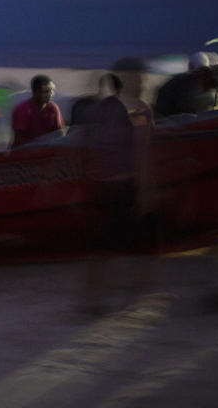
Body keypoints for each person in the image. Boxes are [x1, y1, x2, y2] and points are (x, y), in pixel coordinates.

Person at [82, 56, 156, 313]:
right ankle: (131, 300)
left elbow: (86, 142)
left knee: (102, 248)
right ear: (128, 80)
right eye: (139, 78)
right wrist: (145, 193)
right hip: (124, 188)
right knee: (142, 247)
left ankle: (95, 300)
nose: (144, 82)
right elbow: (141, 153)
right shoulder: (139, 109)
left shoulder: (103, 108)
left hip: (103, 186)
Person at [10, 74, 64, 148]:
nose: (51, 94)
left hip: (48, 151)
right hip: (25, 152)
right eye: (46, 91)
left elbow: (59, 133)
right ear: (36, 92)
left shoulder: (53, 109)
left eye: (52, 91)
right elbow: (19, 139)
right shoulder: (23, 109)